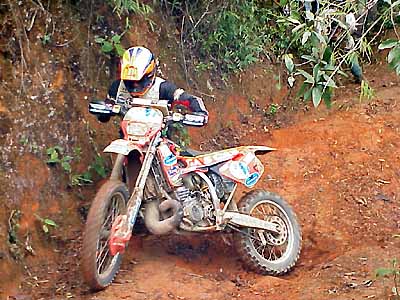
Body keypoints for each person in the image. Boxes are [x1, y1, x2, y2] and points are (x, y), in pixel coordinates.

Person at [96, 46, 208, 126]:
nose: (135, 85)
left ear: (149, 74)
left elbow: (189, 99)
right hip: (128, 134)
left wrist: (200, 113)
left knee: (169, 154)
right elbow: (104, 116)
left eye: (139, 81)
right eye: (129, 81)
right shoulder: (117, 87)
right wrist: (103, 109)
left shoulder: (163, 88)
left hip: (158, 137)